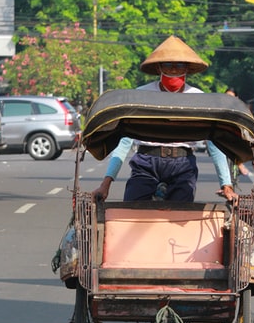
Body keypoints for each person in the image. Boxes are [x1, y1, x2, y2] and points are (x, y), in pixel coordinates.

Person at [93, 35, 237, 203]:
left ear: (187, 68)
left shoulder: (199, 98)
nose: (174, 70)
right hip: (146, 163)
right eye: (168, 65)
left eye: (179, 65)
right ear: (159, 68)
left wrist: (226, 184)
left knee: (181, 215)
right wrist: (106, 183)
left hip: (183, 164)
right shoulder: (141, 95)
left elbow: (214, 143)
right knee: (131, 210)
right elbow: (124, 141)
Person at [225, 87, 250, 177]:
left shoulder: (241, 108)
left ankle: (239, 163)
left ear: (236, 98)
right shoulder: (220, 107)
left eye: (231, 97)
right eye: (227, 96)